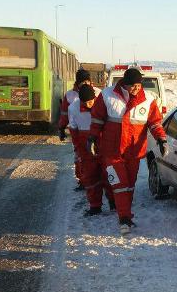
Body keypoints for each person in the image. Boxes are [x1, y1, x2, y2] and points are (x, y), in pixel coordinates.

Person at [88, 68, 168, 235]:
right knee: (120, 184)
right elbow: (97, 119)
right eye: (133, 86)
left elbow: (155, 123)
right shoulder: (107, 95)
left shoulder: (148, 100)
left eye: (139, 85)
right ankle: (123, 218)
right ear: (125, 84)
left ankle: (126, 215)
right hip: (112, 151)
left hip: (133, 152)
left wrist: (161, 139)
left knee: (130, 185)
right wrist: (93, 138)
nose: (136, 89)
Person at [67, 84, 115, 216]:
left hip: (104, 146)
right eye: (86, 102)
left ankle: (113, 202)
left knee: (109, 176)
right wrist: (78, 150)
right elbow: (74, 131)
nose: (89, 104)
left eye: (91, 101)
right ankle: (95, 206)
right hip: (86, 150)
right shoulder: (73, 108)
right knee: (90, 178)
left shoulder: (103, 105)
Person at [60, 68, 93, 190]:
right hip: (78, 131)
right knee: (79, 157)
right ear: (77, 83)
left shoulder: (98, 93)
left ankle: (94, 180)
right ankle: (82, 180)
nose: (85, 84)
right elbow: (64, 114)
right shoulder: (69, 95)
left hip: (94, 131)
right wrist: (61, 127)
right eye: (82, 82)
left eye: (87, 82)